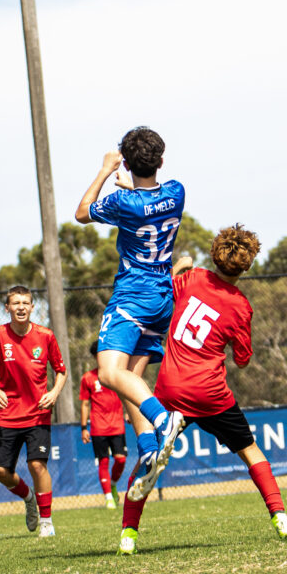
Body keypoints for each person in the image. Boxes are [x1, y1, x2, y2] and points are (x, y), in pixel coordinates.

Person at [117, 224, 287, 555]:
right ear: (246, 264)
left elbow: (163, 294)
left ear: (215, 252)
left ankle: (128, 536)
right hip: (211, 393)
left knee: (147, 459)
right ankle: (281, 519)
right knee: (251, 452)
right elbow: (243, 359)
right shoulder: (241, 306)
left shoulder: (192, 279)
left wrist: (179, 267)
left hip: (171, 390)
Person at [75, 126, 186, 501]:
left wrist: (106, 171)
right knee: (130, 379)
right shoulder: (177, 192)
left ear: (125, 160)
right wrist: (129, 188)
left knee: (108, 373)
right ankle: (149, 448)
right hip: (162, 298)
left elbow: (81, 213)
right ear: (161, 160)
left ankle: (162, 421)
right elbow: (146, 203)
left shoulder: (123, 204)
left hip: (132, 298)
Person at [0, 285, 67, 538]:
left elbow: (61, 370)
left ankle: (47, 522)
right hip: (8, 414)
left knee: (37, 465)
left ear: (32, 307)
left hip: (38, 414)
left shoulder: (46, 335)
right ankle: (29, 498)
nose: (20, 307)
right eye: (15, 303)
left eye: (25, 303)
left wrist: (54, 393)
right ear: (7, 308)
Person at [79, 342, 128, 509]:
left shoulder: (116, 374)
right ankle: (108, 497)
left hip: (117, 425)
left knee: (121, 460)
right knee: (103, 462)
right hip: (98, 427)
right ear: (95, 357)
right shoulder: (88, 378)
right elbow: (85, 404)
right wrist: (84, 427)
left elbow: (125, 393)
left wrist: (128, 411)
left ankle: (112, 485)